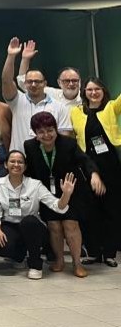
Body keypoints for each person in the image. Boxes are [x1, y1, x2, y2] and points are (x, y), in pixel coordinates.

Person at [23, 112, 103, 278]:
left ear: (56, 129)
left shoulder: (68, 143)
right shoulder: (29, 146)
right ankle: (59, 260)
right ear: (35, 133)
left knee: (70, 224)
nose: (47, 135)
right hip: (47, 192)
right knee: (54, 225)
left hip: (71, 189)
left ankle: (77, 263)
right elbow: (29, 170)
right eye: (41, 132)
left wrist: (94, 174)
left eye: (50, 130)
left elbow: (85, 160)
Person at [0, 150, 73, 279]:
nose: (16, 165)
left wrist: (66, 194)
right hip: (10, 225)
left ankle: (35, 265)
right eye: (12, 161)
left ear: (25, 166)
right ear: (5, 164)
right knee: (1, 243)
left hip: (33, 227)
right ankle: (19, 257)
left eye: (20, 162)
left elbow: (57, 205)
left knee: (29, 222)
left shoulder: (35, 185)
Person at [70, 77, 121, 267]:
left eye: (97, 89)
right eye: (90, 89)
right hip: (86, 165)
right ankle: (93, 252)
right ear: (84, 92)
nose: (94, 93)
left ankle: (109, 253)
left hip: (110, 165)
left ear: (103, 91)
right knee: (90, 211)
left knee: (111, 209)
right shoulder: (76, 112)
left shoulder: (111, 107)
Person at [2, 37, 73, 151]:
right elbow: (6, 81)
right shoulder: (17, 101)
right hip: (19, 158)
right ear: (25, 83)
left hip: (47, 158)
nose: (33, 84)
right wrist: (11, 56)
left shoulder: (59, 107)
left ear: (45, 83)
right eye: (30, 81)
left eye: (38, 81)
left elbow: (64, 138)